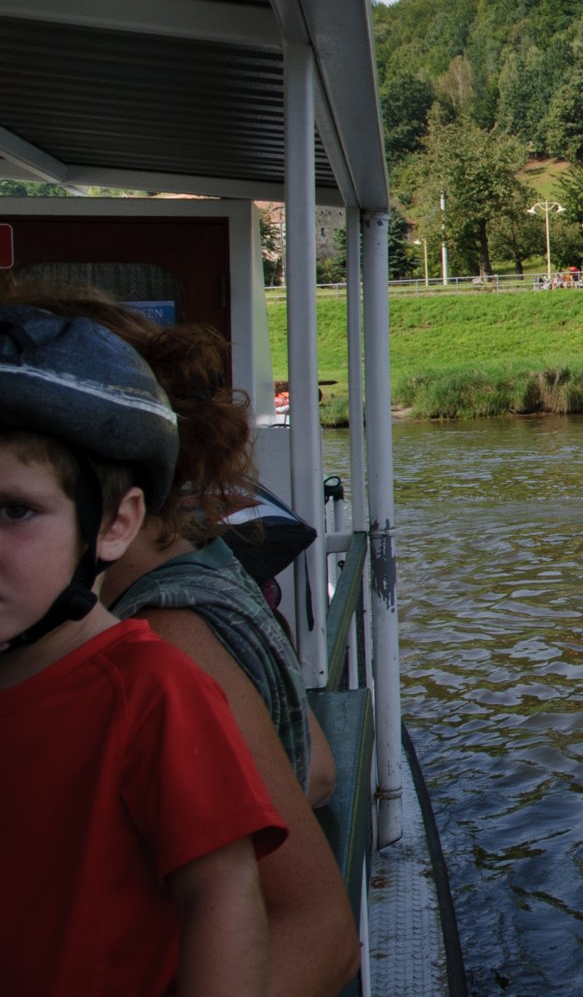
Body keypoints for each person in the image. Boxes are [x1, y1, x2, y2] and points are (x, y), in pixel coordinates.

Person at [6, 283, 359, 996]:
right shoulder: (203, 562)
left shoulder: (163, 644)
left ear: (114, 518)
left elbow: (315, 926)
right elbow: (316, 766)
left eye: (16, 509)